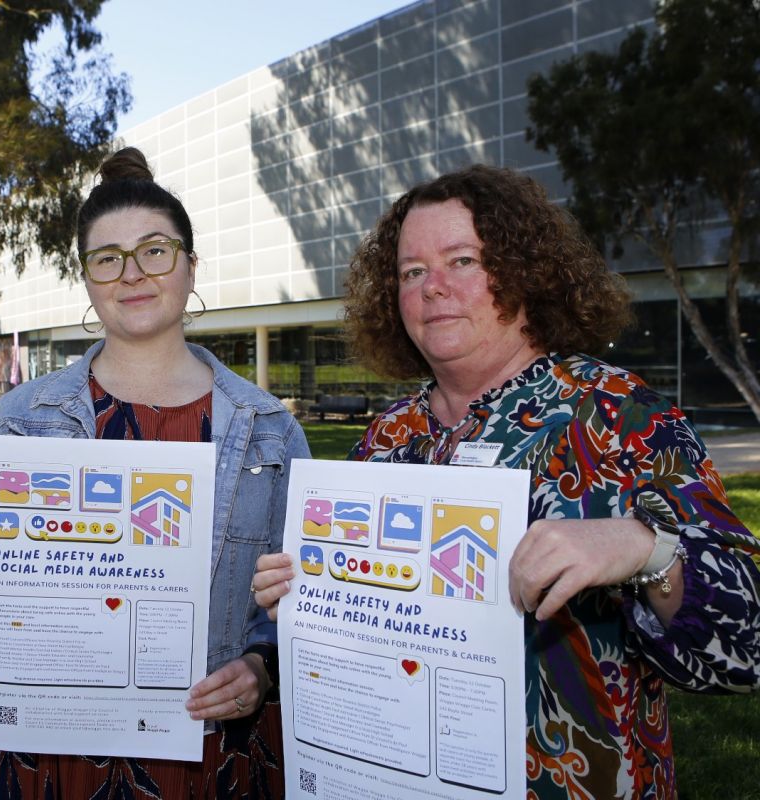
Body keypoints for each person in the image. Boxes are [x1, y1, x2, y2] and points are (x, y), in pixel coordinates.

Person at [251, 165, 760, 799]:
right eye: (412, 272)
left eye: (461, 260)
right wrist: (304, 595)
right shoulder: (386, 437)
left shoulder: (618, 414)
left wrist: (643, 549)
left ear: (523, 271)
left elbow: (748, 646)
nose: (433, 287)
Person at [0, 146, 309, 798]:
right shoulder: (20, 419)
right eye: (108, 258)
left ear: (191, 265)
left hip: (206, 749)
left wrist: (260, 669)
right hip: (51, 753)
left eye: (155, 250)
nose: (132, 273)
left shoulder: (270, 428)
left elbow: (293, 603)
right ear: (86, 278)